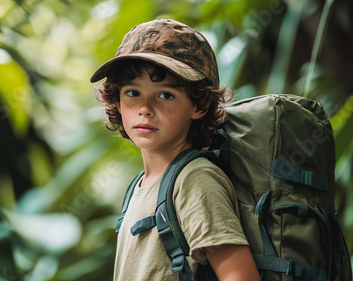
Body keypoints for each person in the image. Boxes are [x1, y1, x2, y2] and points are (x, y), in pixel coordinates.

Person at [90, 19, 260, 281]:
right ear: (117, 101)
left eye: (165, 95)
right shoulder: (142, 185)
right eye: (133, 92)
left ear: (199, 106)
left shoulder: (194, 180)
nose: (145, 107)